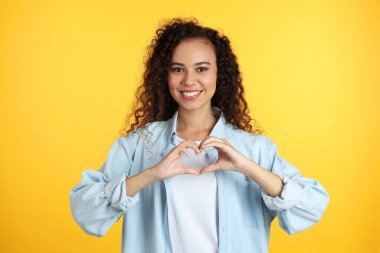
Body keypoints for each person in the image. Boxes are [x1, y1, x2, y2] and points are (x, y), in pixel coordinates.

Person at [69, 17, 329, 253]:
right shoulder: (139, 145)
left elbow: (312, 206)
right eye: (178, 69)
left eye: (202, 69)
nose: (189, 81)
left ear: (219, 75)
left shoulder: (255, 149)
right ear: (165, 76)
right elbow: (85, 210)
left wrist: (248, 168)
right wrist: (151, 174)